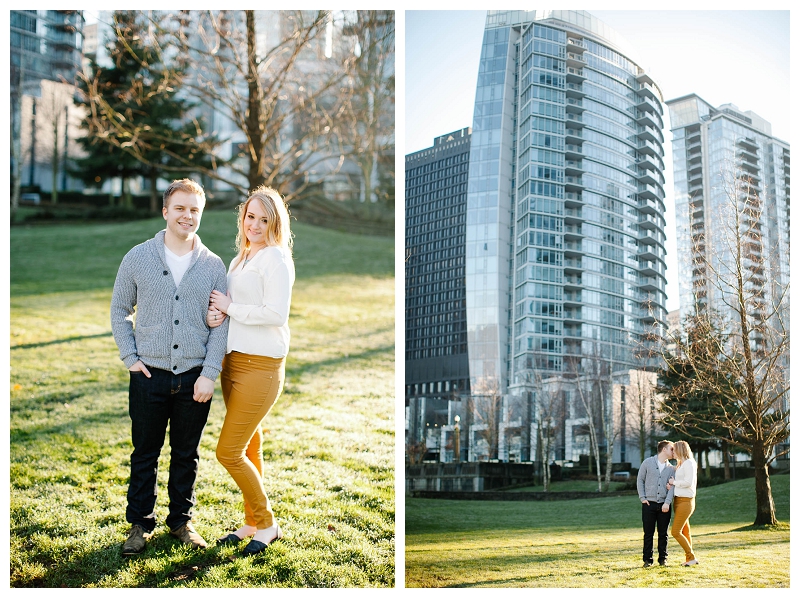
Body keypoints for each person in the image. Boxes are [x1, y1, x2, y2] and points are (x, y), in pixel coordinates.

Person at [111, 178, 229, 556]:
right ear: (165, 211)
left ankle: (180, 521)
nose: (187, 215)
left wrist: (209, 373)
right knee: (144, 452)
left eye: (195, 210)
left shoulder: (213, 265)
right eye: (180, 208)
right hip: (149, 376)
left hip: (194, 378)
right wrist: (131, 358)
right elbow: (118, 310)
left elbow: (222, 322)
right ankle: (139, 525)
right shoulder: (138, 257)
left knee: (186, 455)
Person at [206, 185, 295, 556]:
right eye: (250, 217)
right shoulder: (242, 257)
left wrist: (230, 306)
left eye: (263, 219)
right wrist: (217, 314)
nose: (255, 224)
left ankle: (268, 523)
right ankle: (253, 523)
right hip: (233, 362)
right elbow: (232, 306)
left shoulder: (275, 258)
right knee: (250, 446)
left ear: (275, 223)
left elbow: (277, 314)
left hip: (261, 367)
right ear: (242, 217)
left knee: (228, 452)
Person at [636, 440, 676, 567]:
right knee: (648, 533)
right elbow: (640, 480)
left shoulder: (671, 468)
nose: (673, 451)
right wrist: (643, 498)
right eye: (671, 449)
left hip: (664, 505)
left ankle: (663, 559)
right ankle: (647, 560)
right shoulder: (647, 463)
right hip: (649, 504)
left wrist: (667, 503)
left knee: (663, 534)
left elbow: (673, 487)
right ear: (664, 449)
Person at [668, 440, 699, 566]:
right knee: (685, 531)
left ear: (680, 450)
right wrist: (672, 486)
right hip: (678, 500)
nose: (673, 453)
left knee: (675, 531)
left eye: (674, 450)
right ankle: (689, 559)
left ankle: (691, 558)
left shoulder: (689, 463)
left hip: (686, 502)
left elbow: (688, 483)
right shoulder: (681, 464)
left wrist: (673, 483)